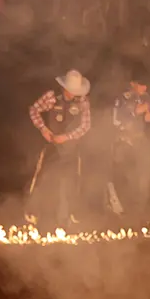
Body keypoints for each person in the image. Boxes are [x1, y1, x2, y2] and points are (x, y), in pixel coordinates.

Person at [27, 69, 93, 225]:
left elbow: (86, 125)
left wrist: (67, 137)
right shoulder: (51, 97)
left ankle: (73, 215)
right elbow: (34, 110)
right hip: (52, 146)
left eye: (76, 91)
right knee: (44, 178)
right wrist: (43, 128)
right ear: (64, 88)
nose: (73, 94)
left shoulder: (83, 101)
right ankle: (33, 212)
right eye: (71, 91)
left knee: (73, 181)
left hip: (71, 148)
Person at [109, 70, 150, 217]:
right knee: (126, 175)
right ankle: (122, 207)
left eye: (145, 86)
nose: (144, 88)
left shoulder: (144, 98)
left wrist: (149, 115)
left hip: (139, 139)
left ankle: (142, 207)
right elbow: (117, 120)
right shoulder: (123, 98)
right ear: (133, 84)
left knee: (145, 172)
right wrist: (135, 113)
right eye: (141, 85)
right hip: (124, 141)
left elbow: (149, 118)